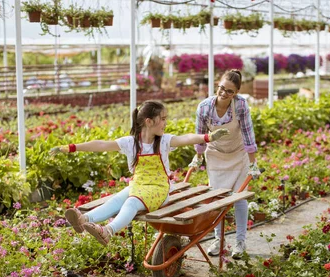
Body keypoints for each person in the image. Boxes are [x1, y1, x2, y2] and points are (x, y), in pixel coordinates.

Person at [50, 100, 228, 246]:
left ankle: (108, 231)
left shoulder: (165, 141)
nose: (166, 123)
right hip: (139, 185)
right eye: (163, 119)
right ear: (149, 121)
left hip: (159, 190)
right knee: (117, 199)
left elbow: (186, 138)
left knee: (131, 203)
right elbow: (101, 144)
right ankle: (83, 219)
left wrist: (207, 137)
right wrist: (71, 148)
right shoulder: (130, 143)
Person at [190, 69, 261, 259]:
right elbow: (200, 136)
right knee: (217, 199)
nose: (224, 93)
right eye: (222, 88)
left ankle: (240, 242)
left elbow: (248, 134)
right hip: (216, 154)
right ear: (217, 85)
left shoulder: (240, 106)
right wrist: (197, 157)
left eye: (230, 91)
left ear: (236, 92)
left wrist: (253, 163)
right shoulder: (204, 107)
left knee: (239, 198)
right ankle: (218, 240)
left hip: (238, 155)